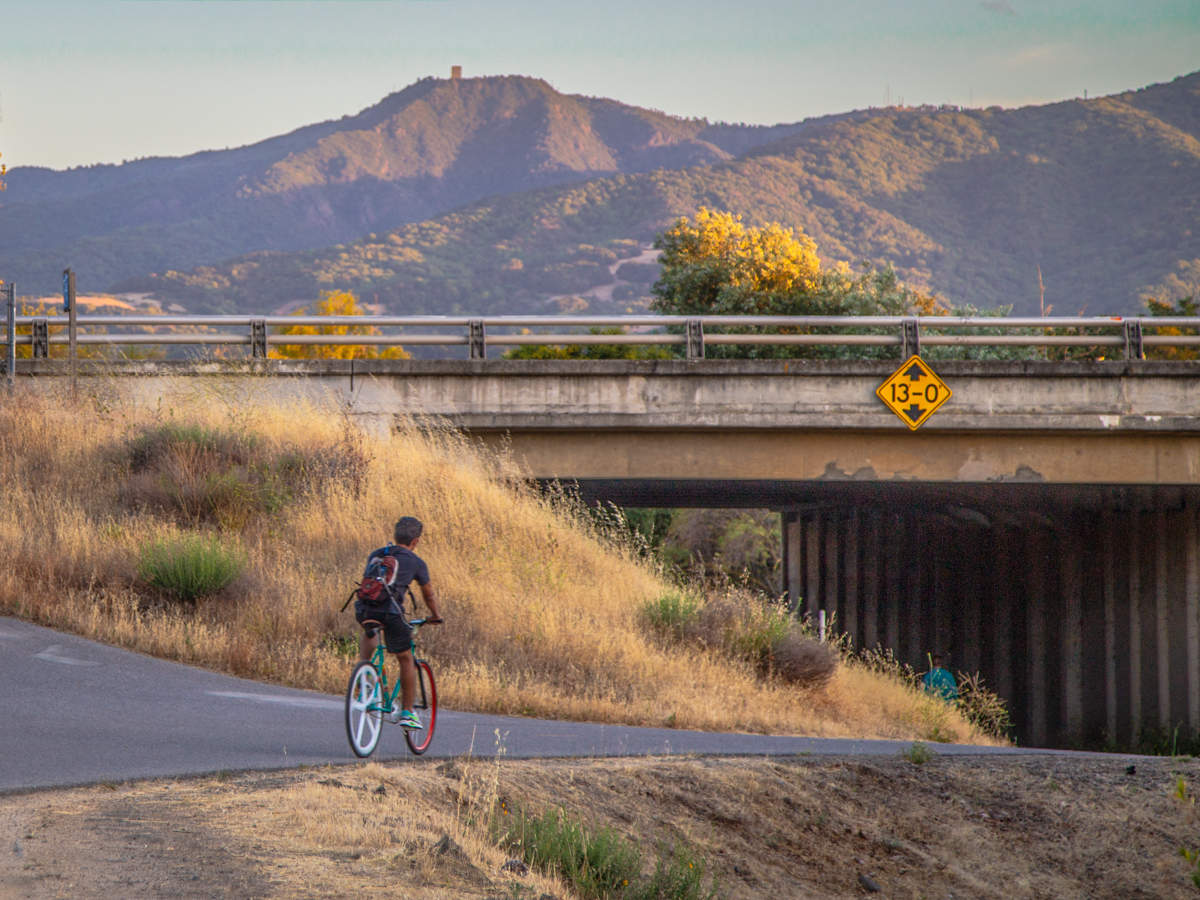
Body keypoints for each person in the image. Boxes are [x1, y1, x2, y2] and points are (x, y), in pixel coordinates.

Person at [355, 516, 443, 729]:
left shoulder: (377, 554)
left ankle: (363, 675)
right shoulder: (416, 562)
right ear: (416, 541)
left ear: (395, 536)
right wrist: (435, 615)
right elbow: (428, 595)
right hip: (391, 612)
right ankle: (407, 712)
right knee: (406, 658)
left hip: (364, 608)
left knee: (371, 630)